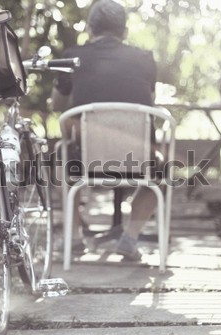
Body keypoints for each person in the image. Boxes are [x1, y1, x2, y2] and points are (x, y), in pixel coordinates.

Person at [51, 0, 158, 260]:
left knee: (61, 156)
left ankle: (74, 237)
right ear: (125, 31)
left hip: (87, 161)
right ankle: (130, 237)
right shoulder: (145, 60)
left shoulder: (72, 57)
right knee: (165, 171)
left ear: (90, 29)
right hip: (138, 161)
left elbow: (57, 106)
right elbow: (148, 106)